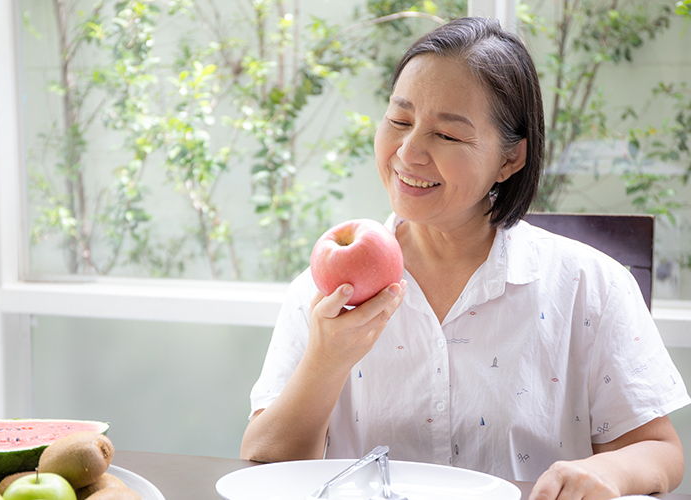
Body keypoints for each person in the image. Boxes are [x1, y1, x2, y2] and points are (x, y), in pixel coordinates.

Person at [240, 16, 690, 500]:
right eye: (399, 119)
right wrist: (326, 360)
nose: (408, 153)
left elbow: (659, 452)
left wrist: (610, 474)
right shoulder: (322, 291)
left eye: (448, 135)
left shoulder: (589, 285)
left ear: (510, 158)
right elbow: (262, 462)